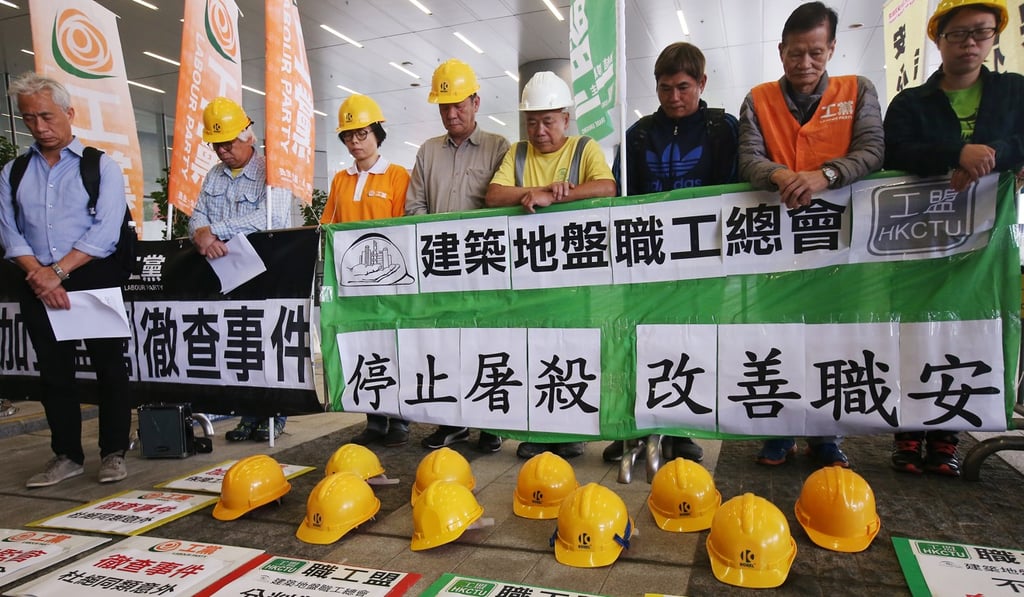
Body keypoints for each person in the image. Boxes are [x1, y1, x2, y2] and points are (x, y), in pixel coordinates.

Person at [738, 1, 884, 467]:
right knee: (776, 337)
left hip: (839, 244)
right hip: (775, 248)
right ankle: (779, 432)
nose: (805, 64)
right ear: (781, 51)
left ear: (832, 48)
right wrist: (781, 176)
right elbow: (748, 159)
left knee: (832, 339)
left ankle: (826, 436)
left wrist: (826, 176)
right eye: (796, 54)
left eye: (816, 54)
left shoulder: (858, 90)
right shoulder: (757, 99)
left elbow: (874, 150)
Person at [884, 0, 1023, 476]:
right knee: (913, 328)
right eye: (959, 34)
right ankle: (906, 434)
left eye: (980, 33)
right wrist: (956, 153)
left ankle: (947, 436)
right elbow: (895, 150)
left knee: (968, 328)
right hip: (918, 237)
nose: (969, 44)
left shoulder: (1013, 92)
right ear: (937, 39)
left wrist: (994, 155)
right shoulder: (910, 103)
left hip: (983, 242)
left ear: (993, 38)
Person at [604, 41, 740, 465]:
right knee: (639, 343)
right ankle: (638, 428)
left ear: (702, 82)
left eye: (683, 87)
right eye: (665, 88)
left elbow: (736, 190)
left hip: (702, 262)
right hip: (645, 261)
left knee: (693, 343)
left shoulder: (722, 129)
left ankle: (682, 430)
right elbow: (618, 196)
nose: (674, 97)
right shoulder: (639, 134)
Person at [0, 72, 132, 487]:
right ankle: (66, 455)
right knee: (54, 375)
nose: (40, 127)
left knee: (109, 369)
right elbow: (8, 231)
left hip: (91, 277)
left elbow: (106, 231)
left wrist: (57, 273)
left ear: (69, 113)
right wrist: (39, 275)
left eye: (46, 116)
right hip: (36, 281)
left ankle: (113, 452)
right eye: (29, 119)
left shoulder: (100, 166)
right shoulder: (14, 172)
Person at [486, 70, 616, 459]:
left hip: (576, 273)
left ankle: (571, 429)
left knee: (573, 349)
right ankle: (540, 431)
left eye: (547, 120)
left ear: (565, 118)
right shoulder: (518, 152)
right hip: (530, 274)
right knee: (532, 348)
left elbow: (608, 187)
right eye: (531, 121)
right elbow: (493, 194)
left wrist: (562, 195)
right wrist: (538, 191)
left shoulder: (584, 148)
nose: (539, 130)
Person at [407, 58, 511, 453]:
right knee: (445, 347)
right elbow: (414, 207)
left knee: (486, 346)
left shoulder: (499, 147)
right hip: (439, 269)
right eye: (444, 106)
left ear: (476, 103)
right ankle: (451, 423)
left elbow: (502, 208)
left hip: (484, 269)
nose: (451, 113)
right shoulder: (428, 151)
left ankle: (490, 422)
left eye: (459, 105)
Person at [189, 97, 292, 442]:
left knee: (268, 345)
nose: (222, 151)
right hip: (226, 277)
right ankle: (247, 416)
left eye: (229, 142)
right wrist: (202, 235)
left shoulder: (271, 172)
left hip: (266, 275)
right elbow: (198, 215)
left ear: (248, 136)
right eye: (217, 144)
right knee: (239, 347)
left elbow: (271, 218)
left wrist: (217, 230)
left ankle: (273, 415)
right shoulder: (213, 176)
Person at [321, 94, 411, 447]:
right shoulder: (340, 180)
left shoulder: (397, 175)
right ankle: (374, 416)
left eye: (362, 134)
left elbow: (406, 225)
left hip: (391, 282)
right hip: (352, 283)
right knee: (366, 346)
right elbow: (329, 225)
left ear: (377, 133)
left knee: (396, 345)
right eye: (348, 136)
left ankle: (401, 417)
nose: (355, 143)